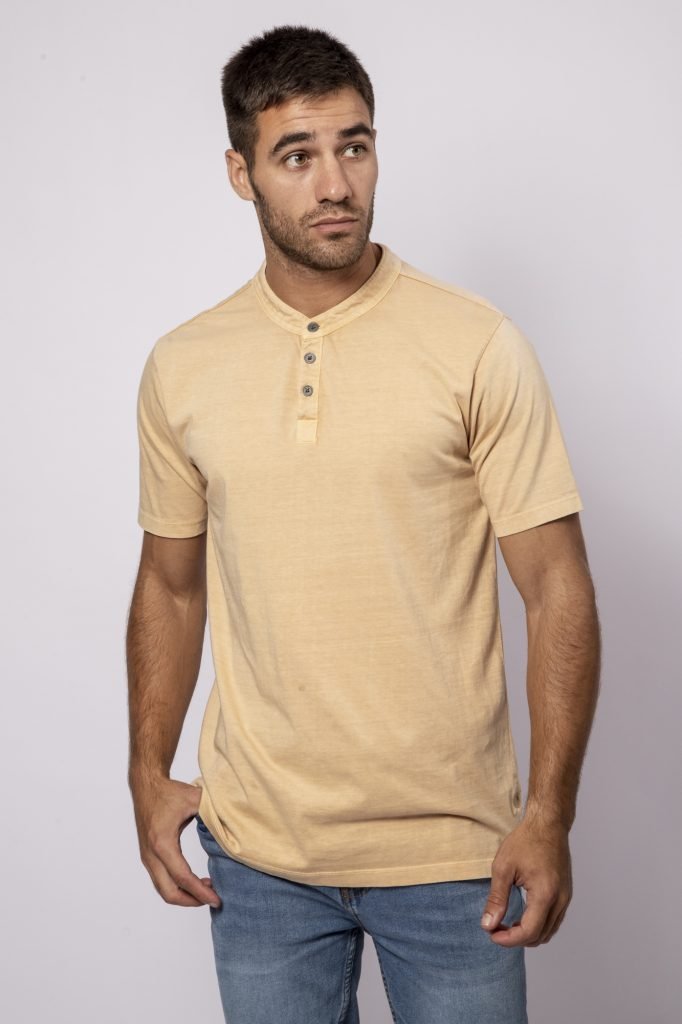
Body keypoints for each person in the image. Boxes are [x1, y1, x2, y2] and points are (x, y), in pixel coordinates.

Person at [126, 23, 601, 1024]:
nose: (336, 183)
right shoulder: (183, 365)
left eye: (355, 146)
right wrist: (146, 771)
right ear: (242, 174)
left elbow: (557, 584)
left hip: (454, 856)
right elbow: (170, 584)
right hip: (259, 858)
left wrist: (548, 815)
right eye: (296, 156)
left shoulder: (476, 344)